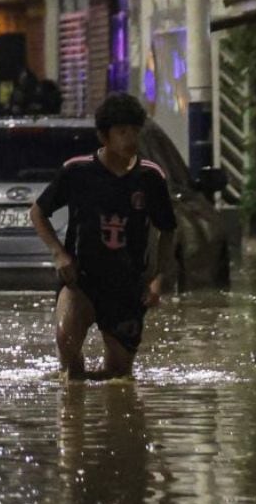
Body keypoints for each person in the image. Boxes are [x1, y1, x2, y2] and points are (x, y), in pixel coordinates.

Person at [28, 93, 177, 381]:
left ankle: (111, 419)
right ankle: (73, 401)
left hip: (127, 285)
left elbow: (167, 229)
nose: (130, 139)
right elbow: (37, 213)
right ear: (104, 136)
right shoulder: (78, 171)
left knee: (119, 375)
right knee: (67, 344)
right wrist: (59, 254)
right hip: (81, 279)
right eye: (122, 132)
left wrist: (159, 277)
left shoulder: (150, 177)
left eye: (135, 131)